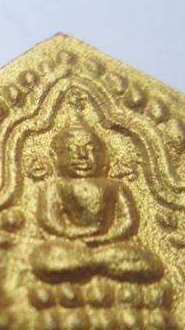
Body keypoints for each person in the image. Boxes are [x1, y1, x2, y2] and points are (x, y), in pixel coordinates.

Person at [31, 120, 163, 283]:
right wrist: (73, 234)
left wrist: (108, 237)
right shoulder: (55, 187)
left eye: (91, 149)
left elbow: (128, 222)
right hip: (72, 245)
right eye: (70, 149)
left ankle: (85, 265)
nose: (82, 155)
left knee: (146, 260)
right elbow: (49, 220)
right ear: (55, 157)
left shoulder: (116, 187)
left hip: (112, 246)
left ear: (105, 156)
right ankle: (100, 263)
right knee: (44, 255)